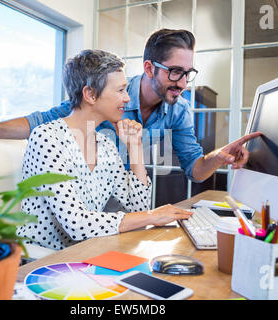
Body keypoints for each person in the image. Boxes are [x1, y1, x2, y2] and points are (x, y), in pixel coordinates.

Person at [0, 28, 261, 183]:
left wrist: (219, 157)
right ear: (149, 68)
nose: (183, 83)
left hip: (122, 199)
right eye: (175, 72)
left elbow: (195, 169)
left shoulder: (178, 111)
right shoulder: (105, 98)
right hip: (88, 205)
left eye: (188, 73)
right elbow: (39, 121)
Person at [18, 49, 192, 250]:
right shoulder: (47, 138)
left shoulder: (106, 145)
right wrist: (153, 216)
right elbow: (76, 224)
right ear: (90, 94)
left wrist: (135, 147)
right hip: (40, 260)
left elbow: (138, 208)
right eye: (120, 90)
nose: (127, 99)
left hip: (85, 255)